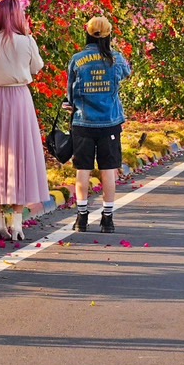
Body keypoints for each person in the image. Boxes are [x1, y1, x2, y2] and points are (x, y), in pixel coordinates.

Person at [0, 0, 52, 241]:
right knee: (21, 155)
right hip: (20, 99)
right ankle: (17, 222)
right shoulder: (27, 42)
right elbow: (36, 67)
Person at [67, 15, 132, 233]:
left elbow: (69, 94)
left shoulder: (77, 59)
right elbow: (127, 74)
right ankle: (107, 219)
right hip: (109, 123)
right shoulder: (116, 59)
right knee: (108, 170)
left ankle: (81, 218)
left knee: (82, 171)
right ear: (108, 35)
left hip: (83, 122)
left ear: (87, 32)